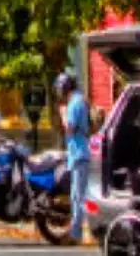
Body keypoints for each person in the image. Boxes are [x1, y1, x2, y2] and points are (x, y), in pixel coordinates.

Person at [56, 71, 90, 246]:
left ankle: (76, 234)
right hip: (77, 153)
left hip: (79, 153)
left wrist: (62, 112)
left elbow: (69, 127)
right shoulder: (78, 100)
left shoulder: (75, 103)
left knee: (78, 196)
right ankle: (75, 230)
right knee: (76, 195)